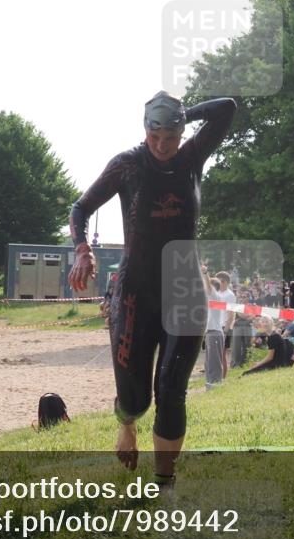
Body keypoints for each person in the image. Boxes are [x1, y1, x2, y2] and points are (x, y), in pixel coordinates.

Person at [68, 91, 235, 481]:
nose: (162, 146)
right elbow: (80, 207)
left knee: (172, 390)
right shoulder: (127, 165)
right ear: (144, 131)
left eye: (171, 137)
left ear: (181, 133)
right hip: (135, 294)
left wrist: (182, 113)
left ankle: (165, 483)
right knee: (136, 398)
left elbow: (227, 108)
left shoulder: (192, 157)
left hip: (186, 290)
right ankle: (126, 425)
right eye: (155, 135)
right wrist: (81, 250)